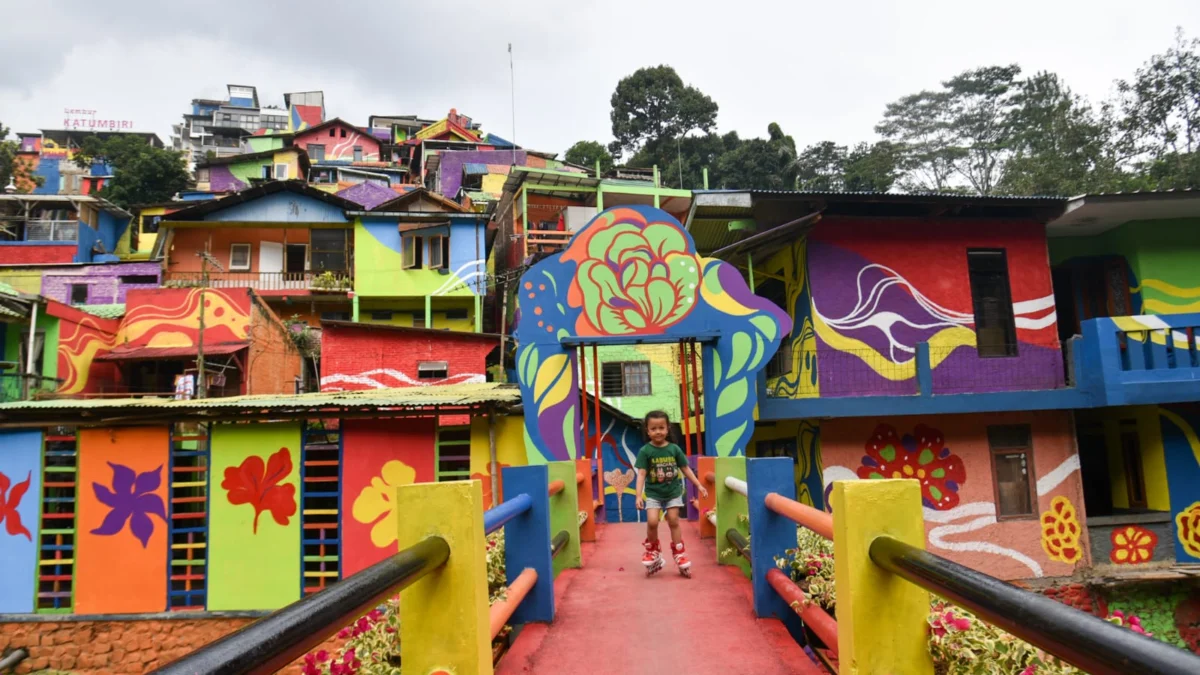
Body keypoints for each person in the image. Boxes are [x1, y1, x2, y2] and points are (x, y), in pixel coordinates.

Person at [635, 410, 708, 574]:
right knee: (652, 522)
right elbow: (641, 474)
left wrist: (699, 485)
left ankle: (679, 552)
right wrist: (638, 495)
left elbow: (685, 468)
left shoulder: (674, 449)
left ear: (668, 428)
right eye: (653, 429)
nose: (658, 432)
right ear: (647, 431)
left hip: (673, 492)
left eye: (661, 428)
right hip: (653, 493)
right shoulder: (645, 451)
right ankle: (653, 549)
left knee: (673, 520)